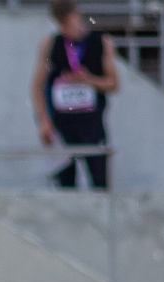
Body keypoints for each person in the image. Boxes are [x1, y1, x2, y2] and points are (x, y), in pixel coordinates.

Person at [35, 1, 116, 190]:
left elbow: (113, 84)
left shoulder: (101, 42)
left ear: (78, 16)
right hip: (62, 126)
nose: (66, 29)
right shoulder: (51, 43)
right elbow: (37, 86)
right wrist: (44, 121)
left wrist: (88, 80)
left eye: (69, 22)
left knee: (99, 182)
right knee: (66, 185)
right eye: (62, 25)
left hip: (91, 124)